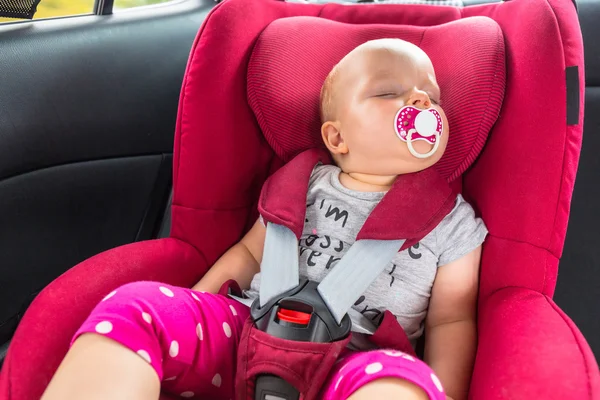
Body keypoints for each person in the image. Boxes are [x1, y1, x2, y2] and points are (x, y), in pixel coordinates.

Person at [42, 38, 487, 400]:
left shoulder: (453, 222)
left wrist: (442, 388)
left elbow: (451, 320)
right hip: (247, 330)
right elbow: (250, 253)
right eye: (389, 92)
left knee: (398, 389)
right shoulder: (298, 185)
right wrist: (191, 306)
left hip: (358, 357)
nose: (420, 101)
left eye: (431, 96)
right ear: (337, 137)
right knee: (136, 307)